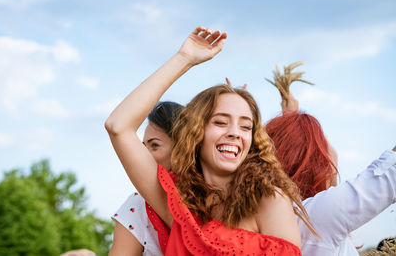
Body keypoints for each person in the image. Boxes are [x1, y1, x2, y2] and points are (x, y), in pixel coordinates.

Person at [105, 26, 312, 255]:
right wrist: (184, 59)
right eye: (220, 122)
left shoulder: (269, 199)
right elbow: (118, 126)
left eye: (245, 126)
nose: (235, 132)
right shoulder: (177, 200)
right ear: (195, 134)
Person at [265, 90, 396, 256]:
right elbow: (389, 175)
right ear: (316, 162)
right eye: (323, 141)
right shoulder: (316, 215)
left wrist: (291, 121)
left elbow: (290, 154)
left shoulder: (282, 218)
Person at [109, 101, 183, 256]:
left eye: (154, 145)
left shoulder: (216, 200)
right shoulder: (138, 204)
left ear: (182, 150)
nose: (143, 155)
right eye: (143, 146)